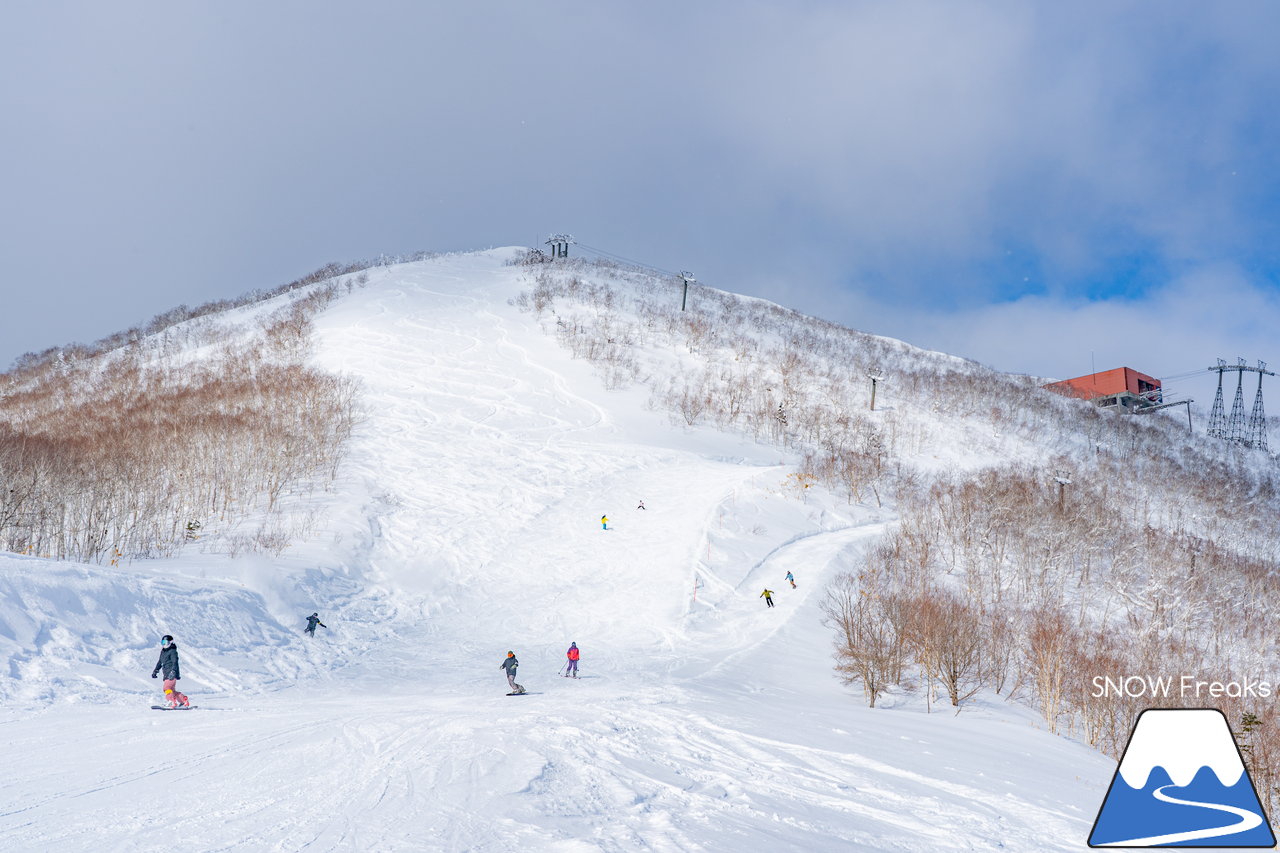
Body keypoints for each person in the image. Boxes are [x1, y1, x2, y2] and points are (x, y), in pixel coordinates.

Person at [150, 634, 190, 708]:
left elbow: (175, 662)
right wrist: (155, 670)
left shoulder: (172, 651)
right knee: (172, 691)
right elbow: (160, 662)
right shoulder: (163, 651)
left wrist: (173, 671)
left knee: (166, 688)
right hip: (167, 673)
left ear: (171, 642)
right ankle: (183, 700)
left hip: (171, 673)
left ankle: (171, 701)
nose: (164, 644)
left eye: (166, 642)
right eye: (163, 642)